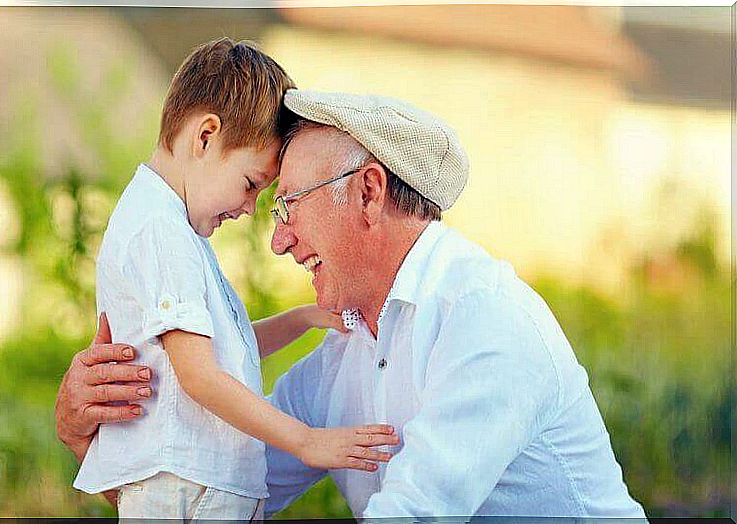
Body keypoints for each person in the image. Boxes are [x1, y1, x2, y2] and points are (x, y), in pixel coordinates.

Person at [57, 89, 646, 519]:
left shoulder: (484, 318)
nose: (278, 239)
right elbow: (213, 486)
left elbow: (413, 513)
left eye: (288, 206)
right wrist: (87, 433)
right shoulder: (346, 353)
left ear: (367, 193)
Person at [69, 44, 398, 521]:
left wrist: (303, 318)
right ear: (205, 137)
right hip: (187, 488)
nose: (249, 208)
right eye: (250, 184)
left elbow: (223, 352)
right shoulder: (161, 232)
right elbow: (201, 376)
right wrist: (307, 441)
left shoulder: (175, 226)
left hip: (198, 485)